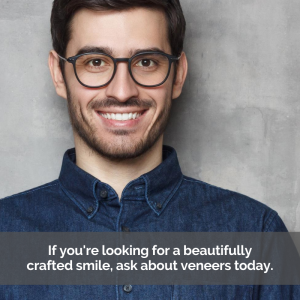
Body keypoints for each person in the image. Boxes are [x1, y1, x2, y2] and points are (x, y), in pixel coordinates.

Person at [0, 0, 298, 299]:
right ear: (58, 74)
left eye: (146, 62)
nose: (122, 91)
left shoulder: (256, 235)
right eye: (95, 61)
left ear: (178, 74)